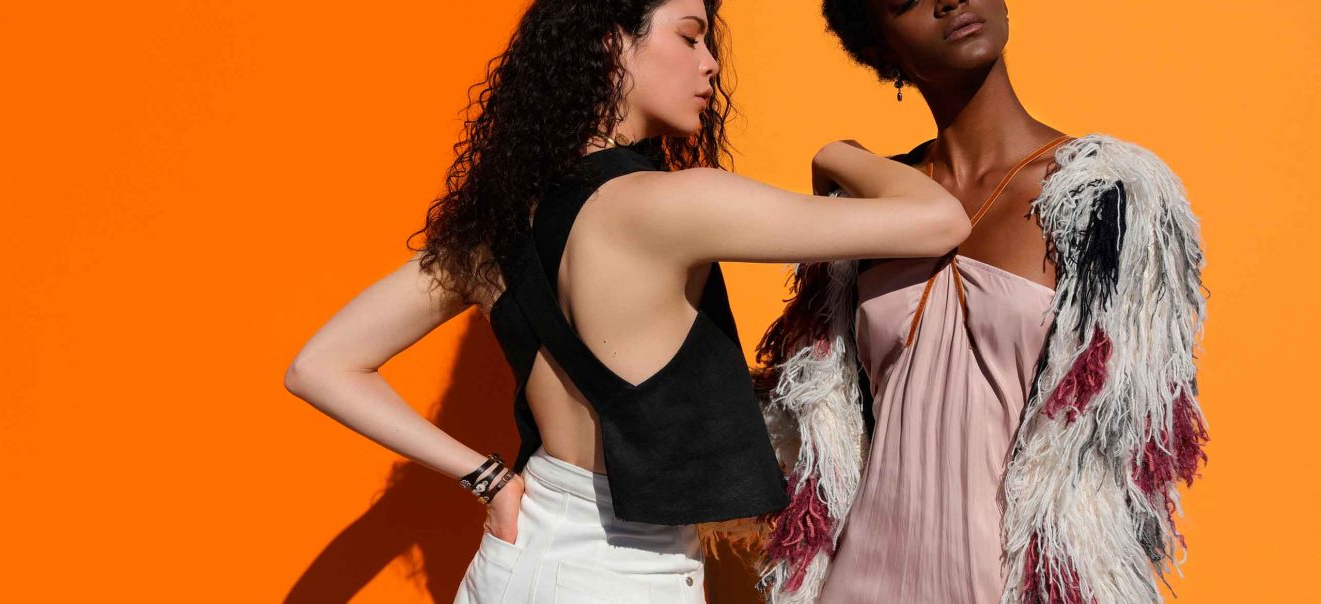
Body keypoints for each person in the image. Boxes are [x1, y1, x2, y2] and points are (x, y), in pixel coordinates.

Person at [284, 0, 969, 601]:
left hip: (518, 556)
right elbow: (939, 220)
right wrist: (838, 154)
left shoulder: (496, 227)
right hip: (624, 572)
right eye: (689, 36)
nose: (710, 64)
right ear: (611, 43)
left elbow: (320, 365)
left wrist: (490, 479)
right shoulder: (677, 203)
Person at [756, 1, 1209, 603]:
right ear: (877, 46)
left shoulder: (1106, 198)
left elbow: (1125, 443)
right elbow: (814, 418)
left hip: (1018, 587)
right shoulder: (871, 203)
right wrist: (838, 156)